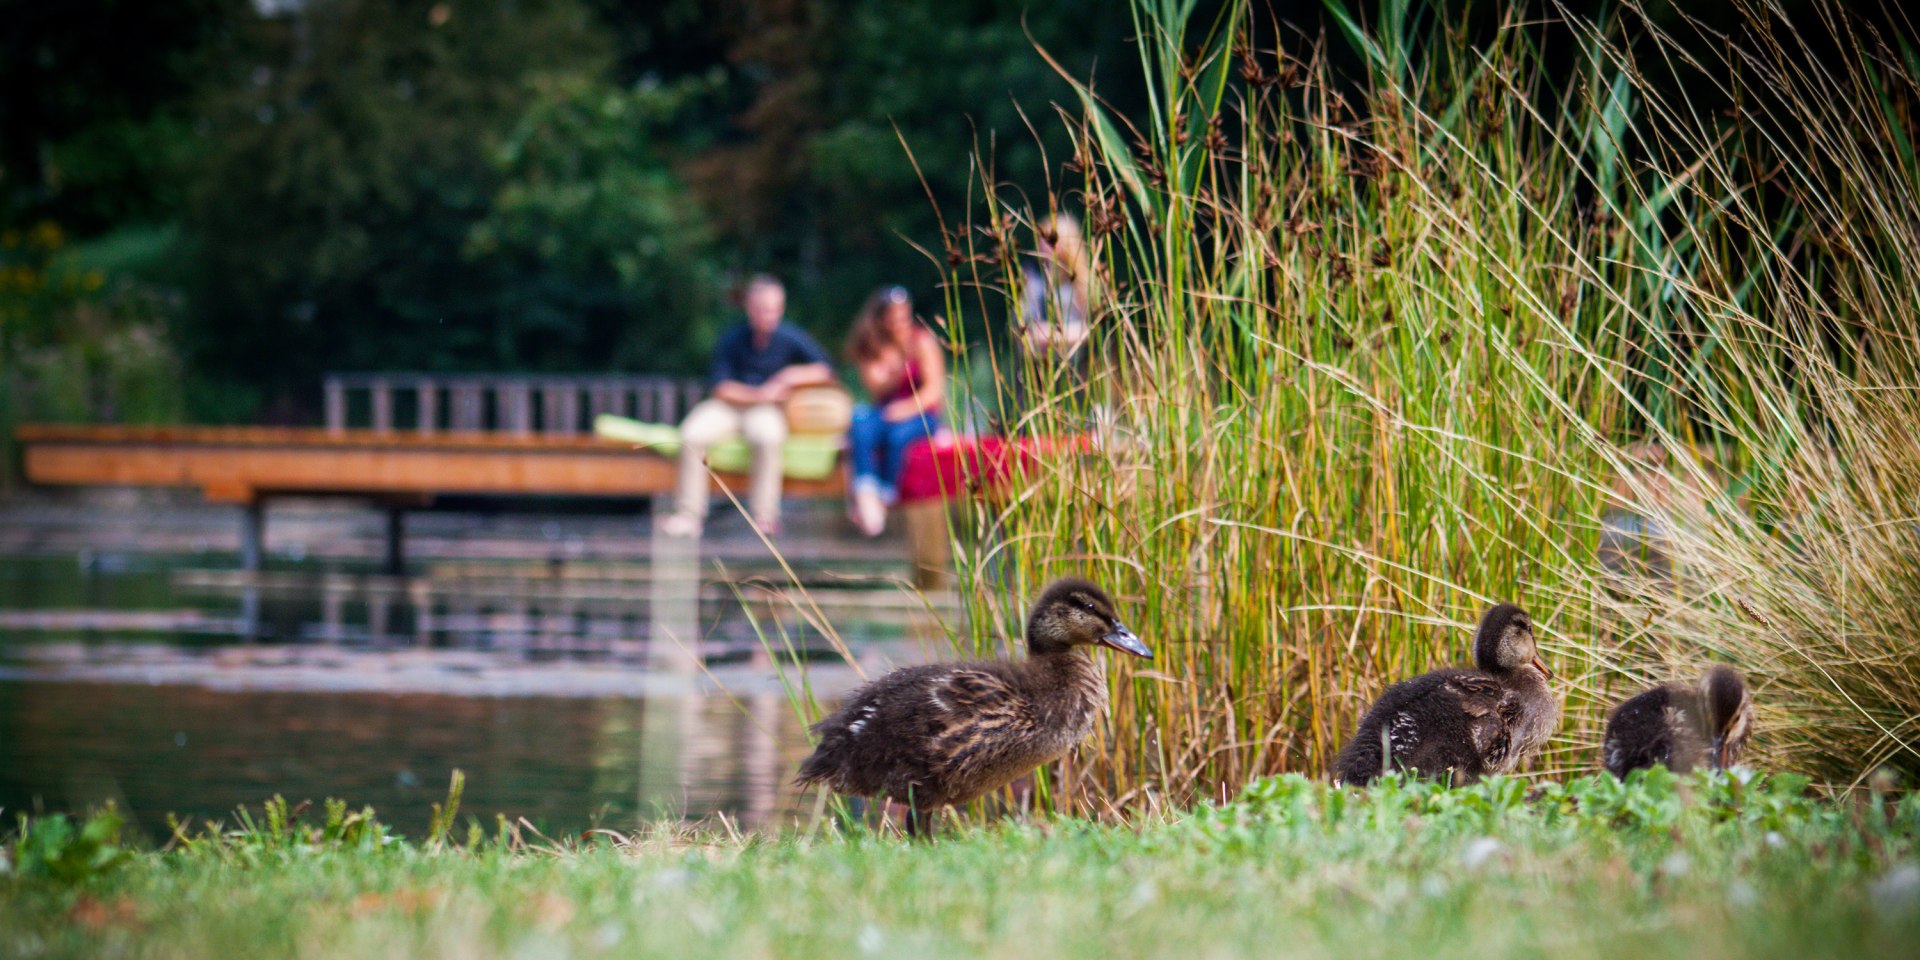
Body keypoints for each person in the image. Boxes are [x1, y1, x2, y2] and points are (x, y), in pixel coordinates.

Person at [659, 275, 833, 538]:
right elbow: (722, 388)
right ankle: (689, 515)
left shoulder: (790, 337)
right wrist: (762, 394)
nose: (769, 315)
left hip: (765, 411)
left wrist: (790, 376)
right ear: (750, 308)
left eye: (775, 309)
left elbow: (825, 370)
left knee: (768, 437)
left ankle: (765, 518)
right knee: (691, 435)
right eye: (763, 309)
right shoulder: (732, 338)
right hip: (728, 406)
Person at [844, 285, 946, 536]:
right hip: (886, 412)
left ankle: (885, 495)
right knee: (859, 425)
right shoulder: (875, 344)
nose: (899, 322)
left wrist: (905, 408)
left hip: (921, 415)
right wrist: (897, 368)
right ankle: (865, 490)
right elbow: (876, 388)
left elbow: (933, 391)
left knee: (897, 436)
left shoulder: (922, 341)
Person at [1007, 213, 1093, 428]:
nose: (1043, 245)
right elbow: (1024, 332)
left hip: (1076, 381)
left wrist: (1053, 335)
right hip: (1036, 383)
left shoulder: (1084, 286)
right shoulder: (1032, 283)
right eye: (1042, 238)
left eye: (1049, 239)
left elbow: (1092, 332)